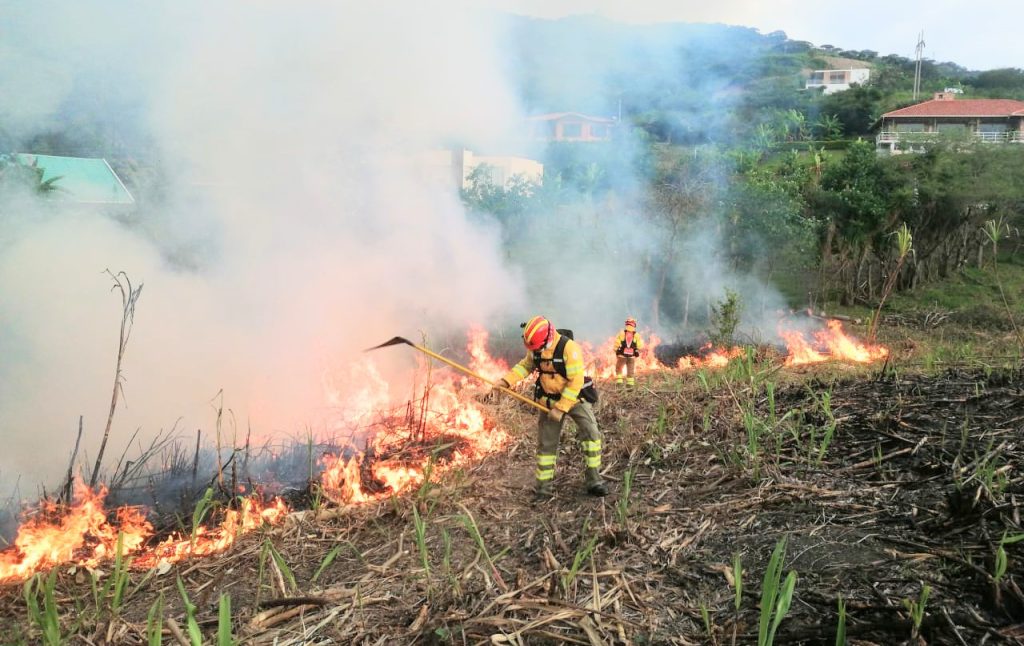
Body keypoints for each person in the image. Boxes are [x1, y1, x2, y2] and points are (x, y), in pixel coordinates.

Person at [493, 315, 607, 498]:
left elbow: (575, 381)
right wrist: (505, 381)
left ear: (548, 338)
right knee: (546, 445)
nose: (534, 351)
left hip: (574, 399)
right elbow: (526, 366)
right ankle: (543, 489)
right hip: (548, 400)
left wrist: (561, 408)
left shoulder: (569, 349)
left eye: (536, 347)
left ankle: (594, 481)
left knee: (591, 434)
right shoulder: (536, 347)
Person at [613, 317, 645, 387]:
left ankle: (619, 383)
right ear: (634, 325)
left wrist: (616, 351)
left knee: (619, 369)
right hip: (632, 357)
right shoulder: (636, 335)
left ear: (626, 324)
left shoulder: (621, 334)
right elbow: (639, 346)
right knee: (630, 370)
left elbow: (616, 344)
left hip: (622, 356)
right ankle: (630, 385)